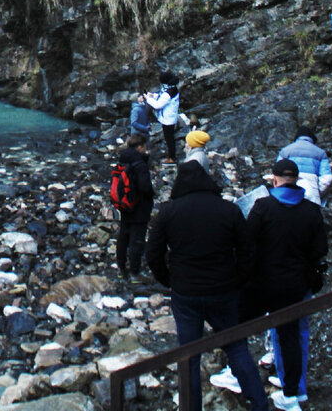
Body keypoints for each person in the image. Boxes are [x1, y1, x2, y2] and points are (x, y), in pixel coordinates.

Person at [145, 161, 269, 411]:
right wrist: (238, 280)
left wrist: (169, 280)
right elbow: (248, 250)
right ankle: (259, 404)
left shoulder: (169, 212)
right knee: (236, 347)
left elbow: (153, 254)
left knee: (188, 355)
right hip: (223, 290)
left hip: (186, 292)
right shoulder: (228, 210)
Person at [244, 158, 328, 411]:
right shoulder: (311, 211)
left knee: (240, 324)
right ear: (297, 180)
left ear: (275, 179)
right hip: (299, 284)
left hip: (266, 283)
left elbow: (248, 244)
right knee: (294, 335)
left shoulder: (263, 207)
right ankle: (294, 390)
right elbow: (320, 249)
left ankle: (238, 375)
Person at [114, 134, 155, 286]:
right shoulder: (139, 164)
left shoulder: (123, 160)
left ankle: (121, 268)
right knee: (136, 239)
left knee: (123, 236)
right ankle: (135, 272)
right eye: (145, 146)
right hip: (139, 207)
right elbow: (145, 187)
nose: (146, 149)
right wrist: (152, 194)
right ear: (140, 147)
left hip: (124, 205)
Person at [277, 126, 332, 206]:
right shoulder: (321, 153)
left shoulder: (285, 151)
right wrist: (317, 191)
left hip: (289, 193)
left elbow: (278, 174)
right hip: (312, 192)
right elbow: (328, 178)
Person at [142, 71, 180, 164]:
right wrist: (153, 95)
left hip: (168, 120)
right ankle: (171, 155)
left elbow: (158, 105)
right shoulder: (172, 88)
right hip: (169, 117)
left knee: (169, 138)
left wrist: (148, 99)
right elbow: (161, 96)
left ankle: (172, 157)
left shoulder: (169, 92)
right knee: (169, 137)